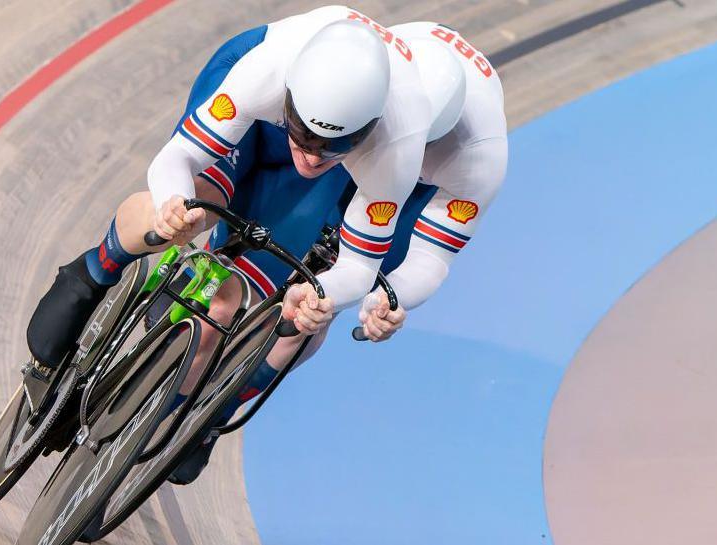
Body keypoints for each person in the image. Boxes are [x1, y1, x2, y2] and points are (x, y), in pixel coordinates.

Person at [24, 6, 429, 426]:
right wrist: (173, 205)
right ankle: (94, 271)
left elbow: (359, 266)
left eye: (331, 144)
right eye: (305, 136)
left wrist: (325, 298)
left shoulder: (396, 149)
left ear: (368, 130)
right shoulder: (261, 75)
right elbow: (177, 157)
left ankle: (194, 418)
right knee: (193, 208)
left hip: (339, 158)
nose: (310, 155)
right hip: (257, 118)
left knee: (292, 294)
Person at [167, 20, 508, 484]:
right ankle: (192, 300)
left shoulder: (479, 160)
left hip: (406, 184)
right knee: (269, 227)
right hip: (353, 145)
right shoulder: (362, 94)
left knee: (315, 312)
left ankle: (211, 418)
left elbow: (432, 259)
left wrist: (388, 299)